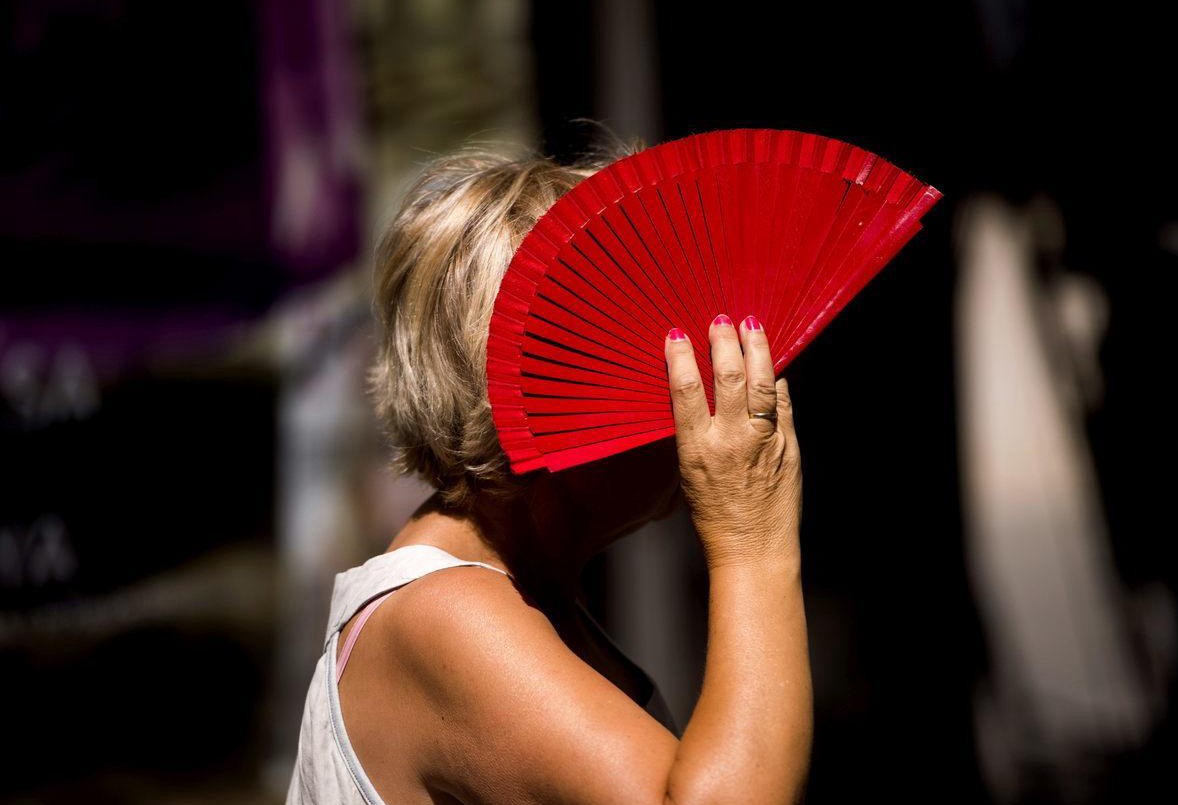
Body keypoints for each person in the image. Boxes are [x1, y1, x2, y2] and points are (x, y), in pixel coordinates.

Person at [287, 138, 811, 804]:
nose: (702, 403)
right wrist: (753, 542)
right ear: (563, 410)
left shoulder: (524, 592)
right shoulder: (445, 614)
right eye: (669, 373)